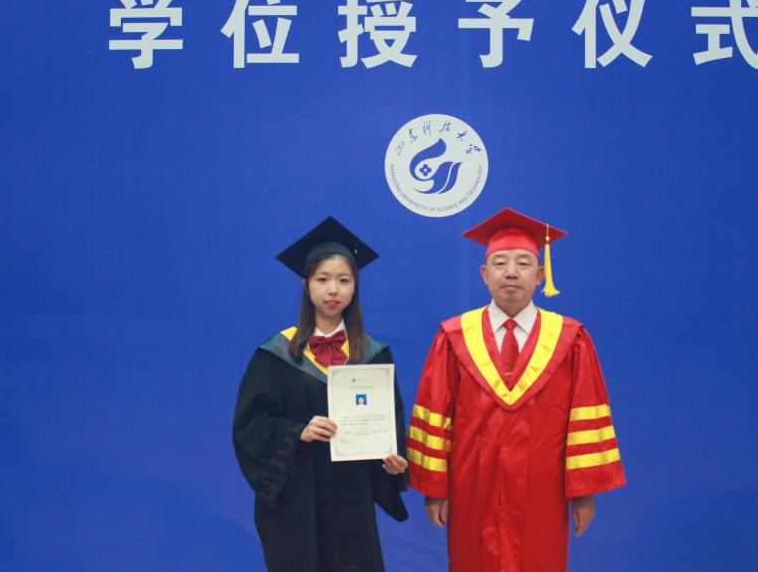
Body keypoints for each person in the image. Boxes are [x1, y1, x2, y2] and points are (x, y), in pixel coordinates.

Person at [406, 208, 626, 572]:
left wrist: (584, 492)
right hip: (471, 487)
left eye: (523, 263)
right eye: (500, 263)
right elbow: (436, 413)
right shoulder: (454, 337)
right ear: (484, 274)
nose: (511, 272)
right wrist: (435, 488)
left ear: (540, 275)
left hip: (544, 488)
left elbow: (584, 418)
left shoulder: (570, 339)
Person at [232, 217, 409, 572]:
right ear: (306, 284)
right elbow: (250, 426)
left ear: (354, 287)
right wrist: (298, 431)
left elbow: (391, 424)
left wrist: (393, 463)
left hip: (353, 502)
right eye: (323, 279)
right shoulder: (277, 354)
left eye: (344, 280)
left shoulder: (373, 354)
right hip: (297, 503)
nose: (333, 290)